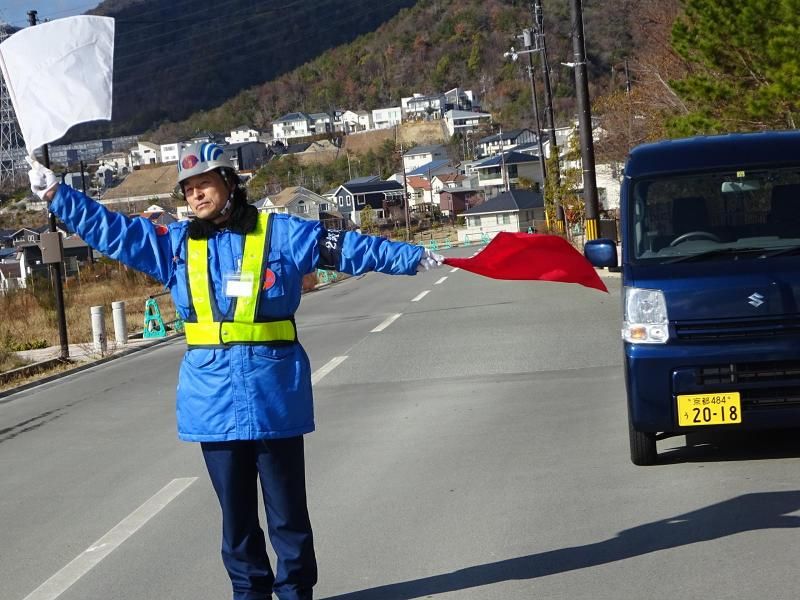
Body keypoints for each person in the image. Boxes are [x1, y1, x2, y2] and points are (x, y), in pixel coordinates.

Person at [27, 143, 443, 600]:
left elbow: (347, 247)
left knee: (288, 517)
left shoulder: (281, 233)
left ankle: (295, 594)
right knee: (237, 520)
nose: (195, 195)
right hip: (212, 401)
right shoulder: (175, 246)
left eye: (204, 183)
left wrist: (408, 258)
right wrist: (57, 196)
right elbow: (113, 232)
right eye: (188, 188)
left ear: (230, 184)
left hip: (274, 396)